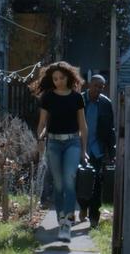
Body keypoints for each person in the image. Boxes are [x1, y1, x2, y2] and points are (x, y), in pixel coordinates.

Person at [30, 61, 89, 243]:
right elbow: (42, 124)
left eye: (61, 78)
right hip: (53, 143)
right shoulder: (48, 97)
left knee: (69, 181)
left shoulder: (77, 98)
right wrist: (39, 139)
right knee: (58, 185)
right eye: (55, 79)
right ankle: (61, 217)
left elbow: (83, 126)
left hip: (72, 142)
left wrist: (84, 150)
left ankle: (66, 225)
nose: (58, 82)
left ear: (69, 77)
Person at [79, 74, 115, 228]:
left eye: (101, 87)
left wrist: (111, 151)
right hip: (80, 148)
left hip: (97, 150)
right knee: (80, 182)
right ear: (89, 85)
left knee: (97, 185)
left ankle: (94, 218)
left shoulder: (106, 104)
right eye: (96, 86)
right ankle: (83, 207)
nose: (98, 89)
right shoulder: (79, 100)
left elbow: (110, 129)